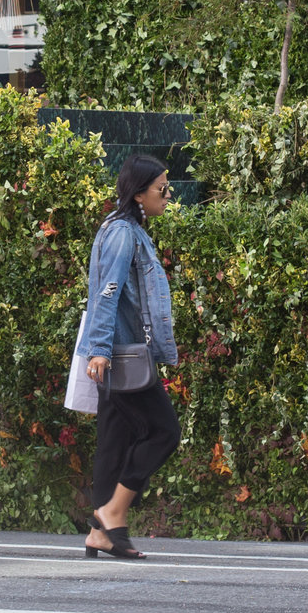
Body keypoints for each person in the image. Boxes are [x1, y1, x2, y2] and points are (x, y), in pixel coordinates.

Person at [75, 155, 182, 560]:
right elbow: (107, 292)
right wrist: (100, 350)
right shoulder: (123, 233)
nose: (168, 195)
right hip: (122, 354)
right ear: (139, 193)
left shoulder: (126, 230)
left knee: (115, 441)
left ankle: (102, 534)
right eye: (161, 189)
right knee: (164, 432)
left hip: (120, 352)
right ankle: (112, 514)